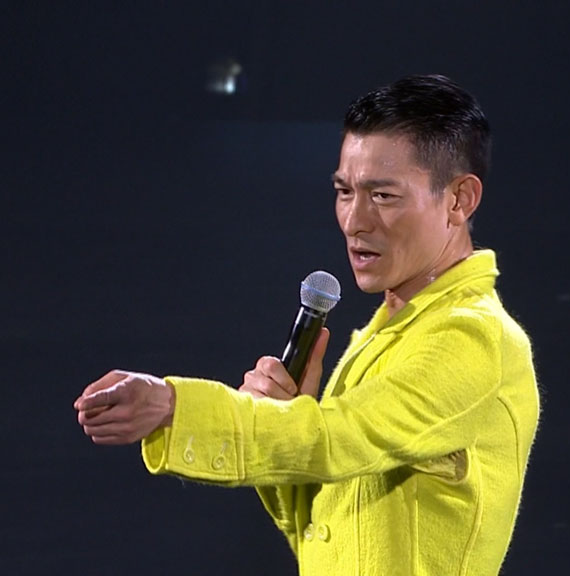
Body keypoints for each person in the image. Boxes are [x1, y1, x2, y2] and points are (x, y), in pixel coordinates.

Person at [74, 74, 540, 576]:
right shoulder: (390, 334)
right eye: (344, 191)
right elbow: (321, 533)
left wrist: (173, 406)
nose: (354, 220)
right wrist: (281, 416)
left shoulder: (473, 337)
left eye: (383, 195)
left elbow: (337, 438)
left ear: (459, 200)